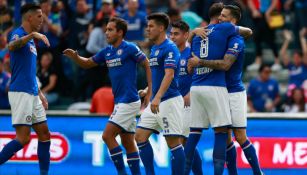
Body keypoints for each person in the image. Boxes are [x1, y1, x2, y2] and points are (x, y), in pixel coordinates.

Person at [63, 17, 152, 175]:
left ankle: (121, 173)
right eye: (106, 29)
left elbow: (146, 63)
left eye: (110, 30)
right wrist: (76, 58)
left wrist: (150, 90)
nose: (106, 33)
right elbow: (88, 63)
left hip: (129, 101)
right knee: (127, 142)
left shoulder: (130, 48)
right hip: (120, 102)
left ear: (120, 32)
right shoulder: (107, 51)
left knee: (107, 136)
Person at [189, 5, 263, 175]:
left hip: (234, 92)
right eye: (219, 15)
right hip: (218, 90)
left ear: (233, 21)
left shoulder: (237, 40)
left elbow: (225, 64)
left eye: (224, 16)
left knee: (240, 136)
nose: (220, 18)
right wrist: (195, 31)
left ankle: (258, 172)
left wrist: (200, 61)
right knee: (226, 137)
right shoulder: (219, 37)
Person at [184, 3, 239, 175]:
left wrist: (193, 32)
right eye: (222, 15)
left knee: (193, 133)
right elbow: (246, 31)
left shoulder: (197, 37)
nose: (223, 18)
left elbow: (189, 67)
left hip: (196, 87)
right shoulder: (226, 29)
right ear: (219, 17)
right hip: (215, 86)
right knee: (221, 132)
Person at [0, 3, 51, 175]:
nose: (42, 20)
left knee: (45, 134)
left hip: (32, 92)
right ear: (29, 17)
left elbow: (29, 71)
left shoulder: (31, 42)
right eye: (39, 16)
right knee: (23, 139)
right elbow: (11, 46)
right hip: (21, 92)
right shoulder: (18, 33)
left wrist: (41, 94)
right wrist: (32, 35)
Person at [135, 13, 185, 175]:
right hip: (156, 102)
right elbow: (157, 76)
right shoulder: (155, 48)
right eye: (147, 26)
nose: (147, 29)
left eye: (151, 26)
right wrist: (148, 90)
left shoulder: (170, 47)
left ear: (161, 28)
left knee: (174, 143)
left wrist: (156, 97)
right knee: (140, 136)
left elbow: (169, 74)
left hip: (168, 101)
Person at [169, 20, 203, 175]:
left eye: (176, 34)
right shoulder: (170, 53)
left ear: (185, 35)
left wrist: (191, 93)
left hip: (188, 102)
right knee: (188, 144)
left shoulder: (191, 53)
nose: (172, 37)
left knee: (180, 142)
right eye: (171, 33)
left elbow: (200, 76)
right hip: (174, 103)